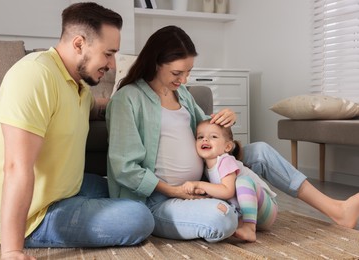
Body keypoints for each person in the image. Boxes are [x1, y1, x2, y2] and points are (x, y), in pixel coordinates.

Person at [106, 25, 359, 243]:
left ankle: (336, 209)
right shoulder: (128, 99)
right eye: (176, 73)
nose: (184, 80)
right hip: (161, 199)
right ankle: (234, 208)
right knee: (221, 219)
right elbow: (125, 168)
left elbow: (208, 132)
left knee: (259, 151)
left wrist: (226, 121)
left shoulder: (180, 94)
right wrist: (176, 191)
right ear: (155, 63)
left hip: (208, 177)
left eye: (188, 72)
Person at [0, 3, 154, 260]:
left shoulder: (79, 86)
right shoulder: (34, 75)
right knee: (138, 217)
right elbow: (16, 167)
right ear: (78, 44)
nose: (112, 64)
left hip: (67, 190)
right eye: (108, 53)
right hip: (35, 214)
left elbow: (94, 107)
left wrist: (136, 103)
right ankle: (17, 239)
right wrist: (11, 250)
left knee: (128, 186)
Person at [182, 120, 278, 242]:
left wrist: (199, 184)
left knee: (242, 182)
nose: (205, 140)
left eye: (213, 137)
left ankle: (249, 228)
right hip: (250, 213)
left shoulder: (225, 161)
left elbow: (227, 191)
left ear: (227, 146)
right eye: (200, 137)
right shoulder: (207, 167)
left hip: (266, 209)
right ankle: (244, 224)